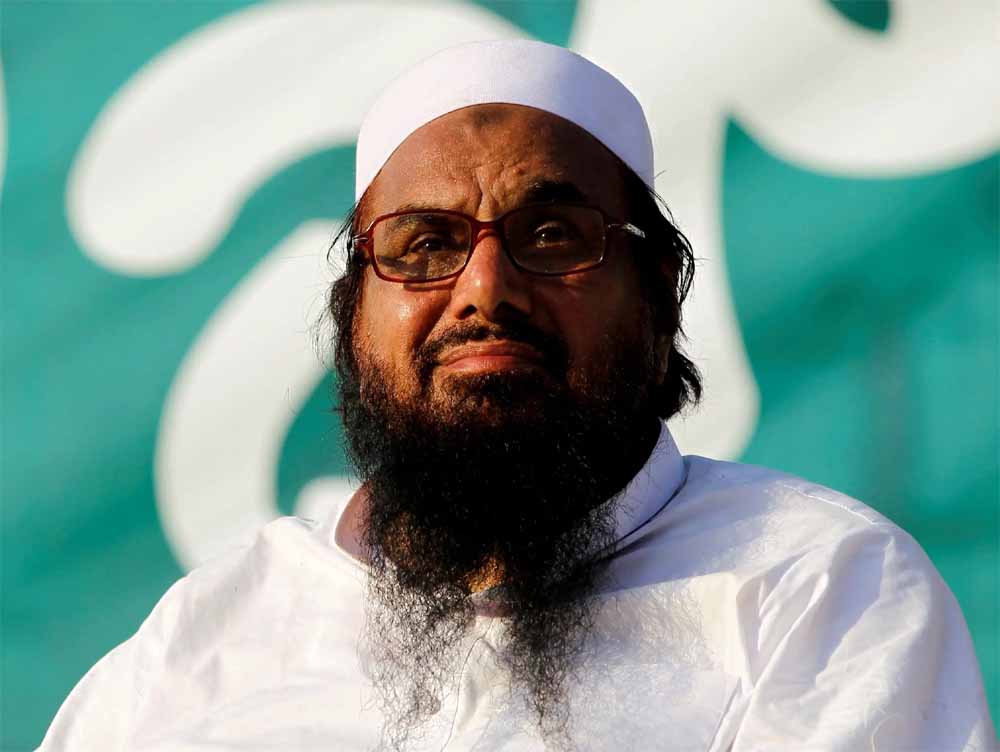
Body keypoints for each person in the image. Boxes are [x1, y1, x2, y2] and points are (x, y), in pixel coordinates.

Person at [41, 39, 996, 752]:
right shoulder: (206, 640)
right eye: (424, 245)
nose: (485, 290)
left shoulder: (818, 589)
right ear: (351, 313)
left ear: (659, 294)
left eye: (551, 236)